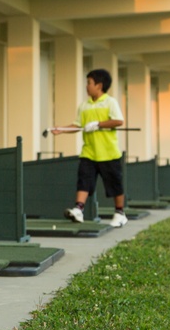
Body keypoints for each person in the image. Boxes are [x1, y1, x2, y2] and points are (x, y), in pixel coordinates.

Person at [48, 68, 128, 228]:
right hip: (89, 152)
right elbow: (78, 125)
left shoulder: (110, 102)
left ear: (99, 85)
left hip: (108, 152)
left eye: (89, 83)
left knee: (114, 184)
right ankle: (79, 209)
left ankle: (120, 213)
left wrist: (99, 124)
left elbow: (119, 121)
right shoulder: (84, 106)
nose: (86, 86)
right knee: (84, 181)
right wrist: (63, 129)